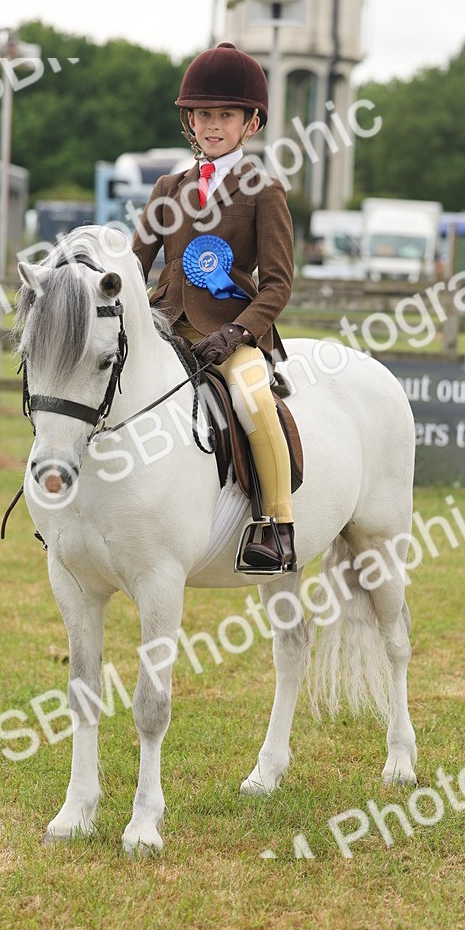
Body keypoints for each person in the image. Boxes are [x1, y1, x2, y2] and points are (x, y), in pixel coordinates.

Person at [131, 41, 296, 571]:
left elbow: (277, 284)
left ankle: (276, 524)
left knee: (254, 399)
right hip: (164, 324)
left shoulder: (264, 191)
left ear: (251, 123)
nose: (212, 125)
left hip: (229, 333)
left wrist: (239, 333)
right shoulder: (168, 187)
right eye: (203, 115)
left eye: (226, 115)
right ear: (190, 122)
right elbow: (134, 265)